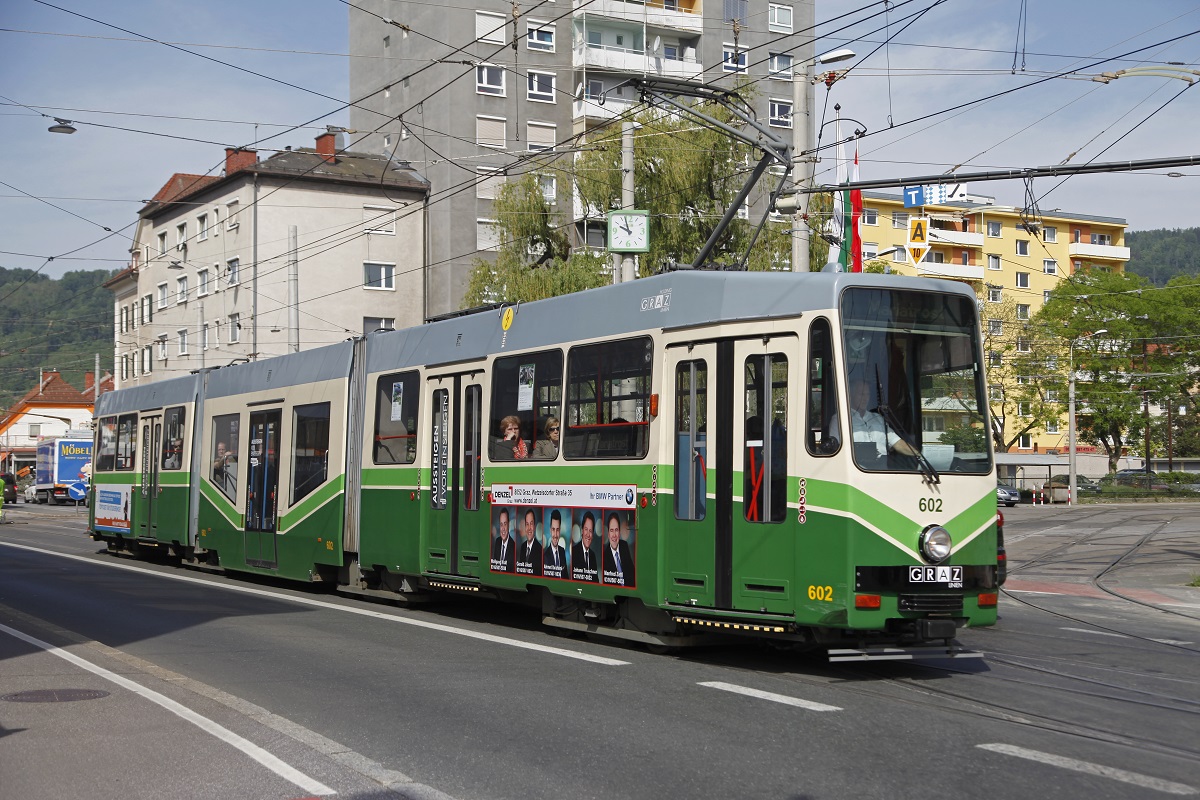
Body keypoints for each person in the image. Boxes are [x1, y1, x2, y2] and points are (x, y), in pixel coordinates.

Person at [844, 378, 919, 459]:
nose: (865, 398)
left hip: (882, 465)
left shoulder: (878, 418)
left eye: (867, 394)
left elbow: (897, 443)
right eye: (861, 394)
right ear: (851, 395)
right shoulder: (842, 420)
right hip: (856, 464)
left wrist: (919, 455)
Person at [602, 511, 635, 587]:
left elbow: (632, 575)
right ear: (608, 534)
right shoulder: (605, 556)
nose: (614, 535)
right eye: (611, 530)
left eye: (616, 530)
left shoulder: (624, 546)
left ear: (619, 532)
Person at [571, 511, 599, 582]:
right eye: (586, 529)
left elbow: (596, 582)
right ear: (582, 531)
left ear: (592, 535)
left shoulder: (593, 556)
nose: (588, 534)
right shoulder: (574, 552)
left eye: (590, 531)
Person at [516, 508, 543, 576]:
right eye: (527, 524)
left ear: (534, 526)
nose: (529, 528)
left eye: (531, 524)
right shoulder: (522, 547)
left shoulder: (540, 550)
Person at [542, 509, 567, 579]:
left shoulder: (562, 551)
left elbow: (566, 577)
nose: (555, 535)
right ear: (550, 530)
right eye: (553, 529)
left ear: (560, 530)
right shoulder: (545, 556)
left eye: (557, 530)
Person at [491, 507, 515, 573]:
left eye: (505, 524)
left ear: (509, 525)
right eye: (501, 524)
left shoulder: (513, 546)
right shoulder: (497, 542)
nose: (503, 528)